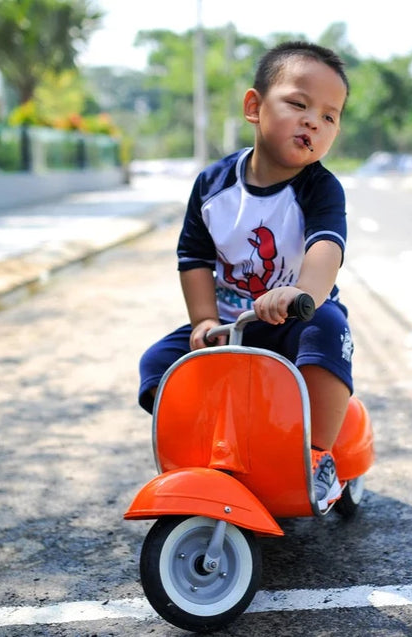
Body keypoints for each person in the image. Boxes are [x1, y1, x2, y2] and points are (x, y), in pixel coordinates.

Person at [138, 41, 353, 512]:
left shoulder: (319, 187)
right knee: (160, 363)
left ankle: (317, 456)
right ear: (254, 107)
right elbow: (193, 256)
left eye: (329, 116)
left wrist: (303, 296)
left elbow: (326, 247)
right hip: (232, 323)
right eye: (298, 104)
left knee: (328, 331)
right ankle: (206, 450)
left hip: (293, 318)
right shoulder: (213, 185)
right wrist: (202, 320)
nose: (313, 121)